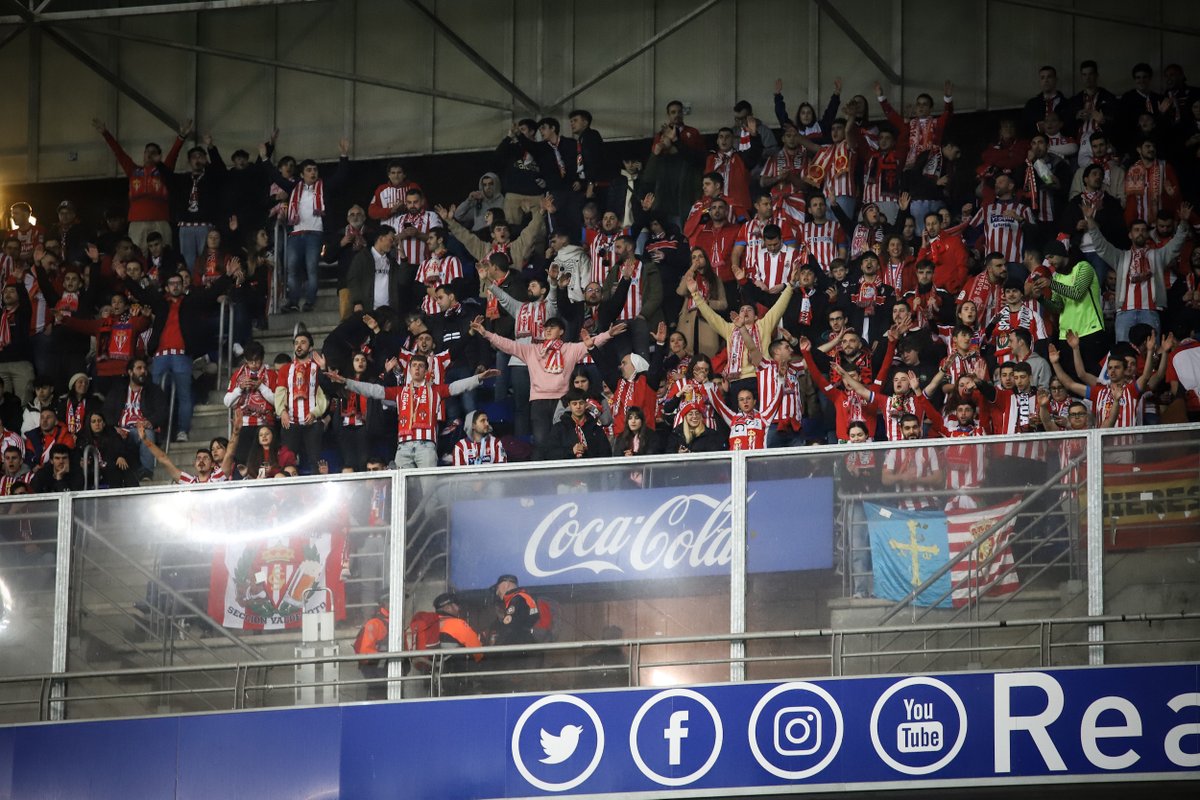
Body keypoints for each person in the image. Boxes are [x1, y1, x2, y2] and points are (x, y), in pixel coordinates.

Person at [1085, 199, 1192, 342]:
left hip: (1150, 310)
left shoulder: (1157, 255)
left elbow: (1176, 245)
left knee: (1151, 353)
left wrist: (1183, 223)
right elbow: (1101, 246)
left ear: (1147, 234)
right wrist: (1090, 220)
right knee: (1124, 353)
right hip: (1124, 311)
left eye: (1143, 230)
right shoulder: (1121, 257)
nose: (1140, 233)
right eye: (1136, 230)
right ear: (1130, 235)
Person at [92, 116, 191, 252]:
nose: (150, 155)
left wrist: (182, 136)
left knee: (163, 253)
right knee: (137, 254)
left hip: (160, 220)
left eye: (154, 152)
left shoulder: (164, 171)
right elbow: (119, 153)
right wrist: (105, 133)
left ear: (159, 156)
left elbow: (174, 154)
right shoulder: (134, 171)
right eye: (147, 152)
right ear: (143, 154)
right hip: (137, 222)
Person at [102, 356, 168, 480]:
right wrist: (114, 428)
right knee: (110, 438)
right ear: (130, 372)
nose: (143, 371)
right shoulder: (117, 391)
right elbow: (106, 412)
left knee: (146, 434)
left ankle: (146, 472)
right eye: (139, 368)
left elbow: (162, 411)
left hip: (140, 430)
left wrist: (151, 421)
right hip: (120, 431)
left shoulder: (153, 390)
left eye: (145, 368)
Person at [273, 331, 327, 472]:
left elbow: (323, 395)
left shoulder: (317, 368)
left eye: (303, 342)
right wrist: (282, 411)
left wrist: (315, 412)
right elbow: (280, 394)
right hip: (290, 422)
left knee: (315, 462)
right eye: (296, 343)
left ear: (310, 348)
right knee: (287, 462)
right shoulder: (286, 369)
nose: (299, 346)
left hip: (312, 423)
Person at [136, 421, 230, 484]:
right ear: (194, 464)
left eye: (205, 458)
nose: (201, 460)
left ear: (213, 464)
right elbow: (163, 459)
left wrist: (236, 433)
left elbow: (230, 454)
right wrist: (145, 440)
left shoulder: (217, 478)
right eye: (198, 458)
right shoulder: (189, 481)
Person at [545, 387, 612, 460]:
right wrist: (571, 451)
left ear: (586, 404)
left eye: (581, 403)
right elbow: (550, 453)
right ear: (569, 406)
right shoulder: (559, 428)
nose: (578, 407)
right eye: (574, 404)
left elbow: (606, 453)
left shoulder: (596, 428)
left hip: (592, 469)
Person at [353, 596, 390, 700]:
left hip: (390, 674)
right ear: (385, 603)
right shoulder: (374, 623)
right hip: (377, 675)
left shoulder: (396, 622)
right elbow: (365, 652)